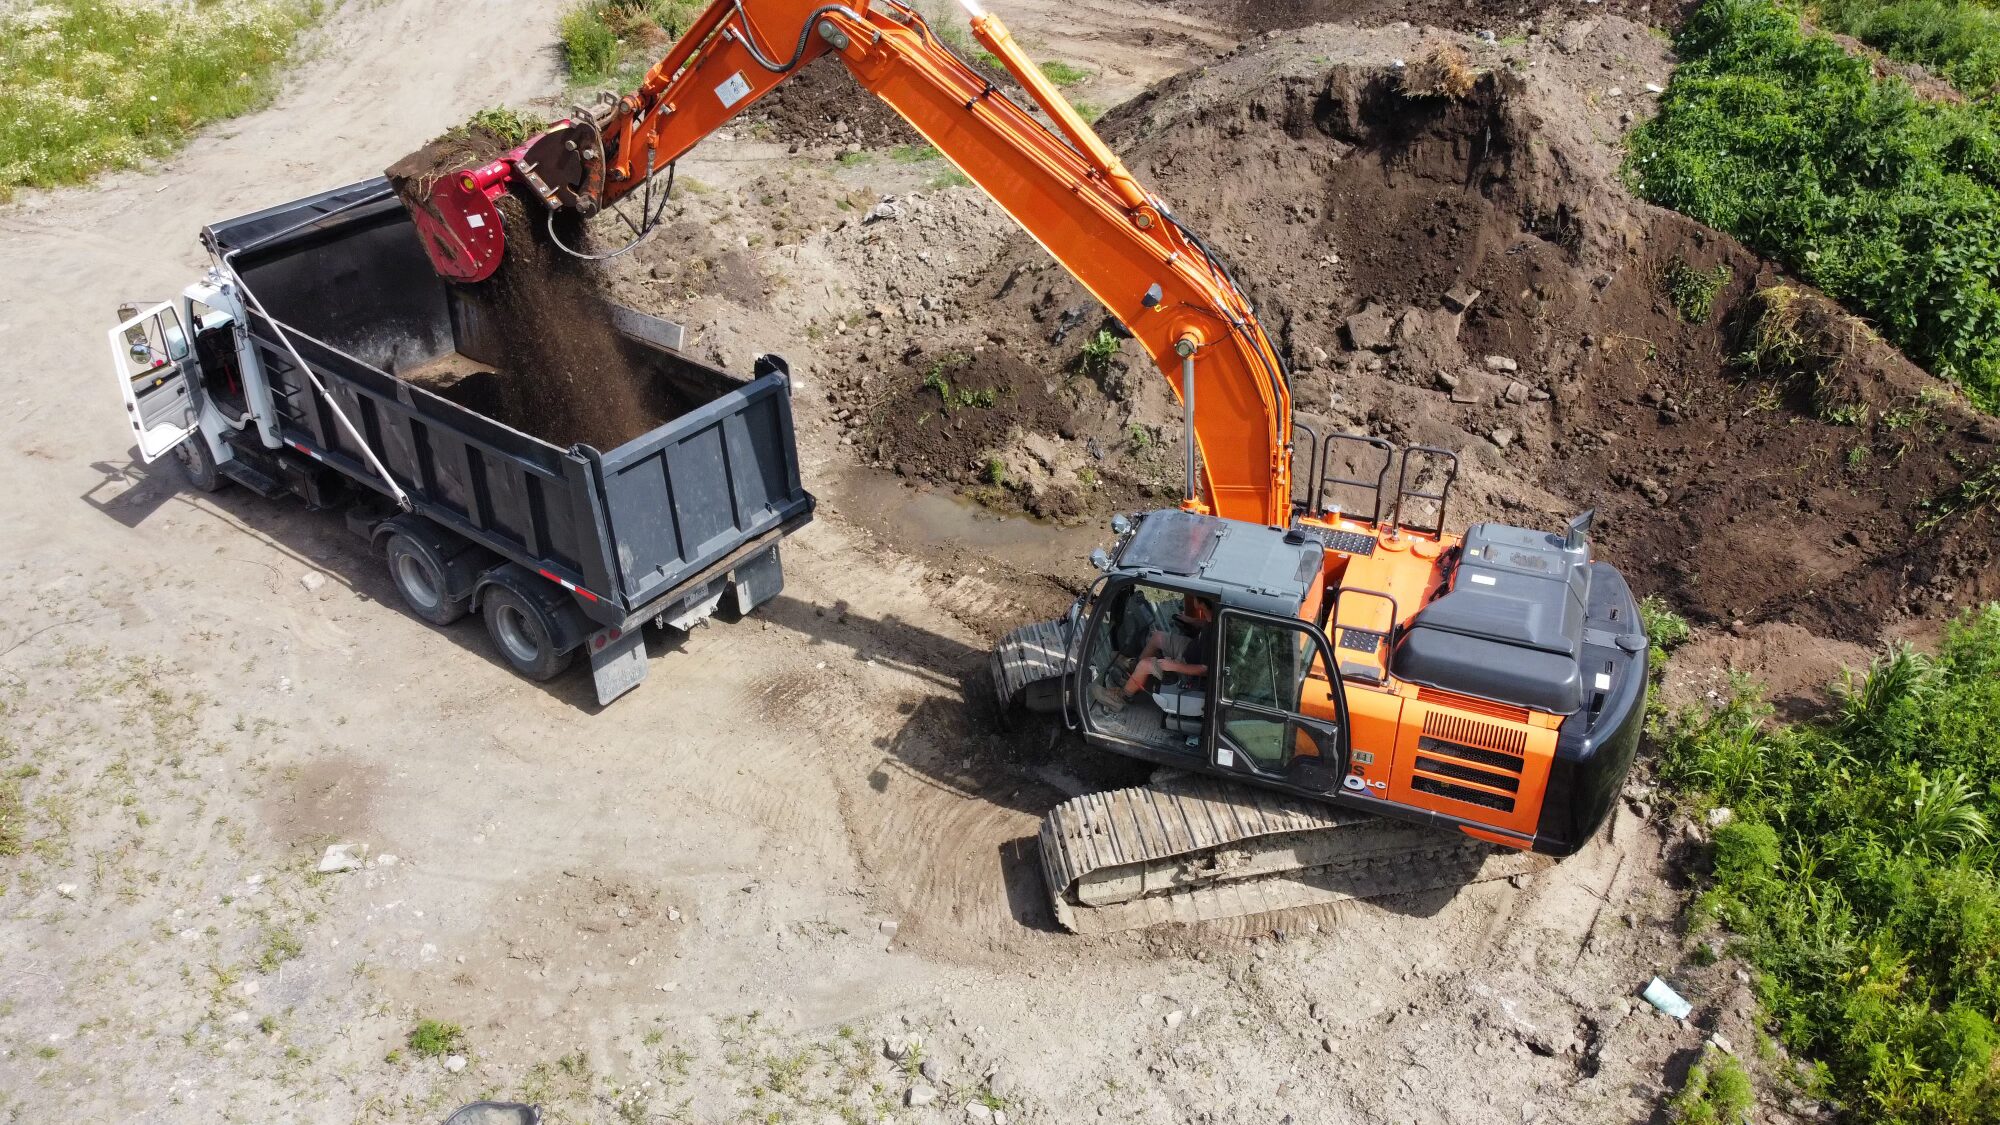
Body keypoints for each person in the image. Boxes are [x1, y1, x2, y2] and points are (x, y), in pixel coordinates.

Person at [1093, 594, 1215, 710]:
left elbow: (1206, 670)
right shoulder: (1215, 616)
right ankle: (1134, 668)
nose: (1192, 598)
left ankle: (1122, 697)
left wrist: (1174, 665)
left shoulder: (1214, 637)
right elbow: (1206, 623)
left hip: (1190, 669)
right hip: (1191, 648)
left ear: (1202, 604)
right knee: (1158, 637)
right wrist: (1190, 620)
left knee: (1145, 664)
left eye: (1194, 597)